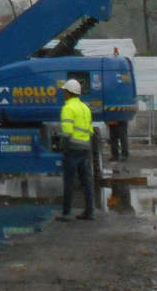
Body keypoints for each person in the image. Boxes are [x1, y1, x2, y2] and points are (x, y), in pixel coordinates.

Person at [58, 78, 96, 220]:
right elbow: (91, 131)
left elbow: (67, 132)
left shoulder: (68, 108)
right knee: (86, 181)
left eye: (64, 91)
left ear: (68, 93)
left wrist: (63, 147)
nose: (63, 94)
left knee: (69, 181)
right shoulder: (85, 108)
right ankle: (89, 212)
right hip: (85, 148)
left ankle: (66, 213)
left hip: (72, 149)